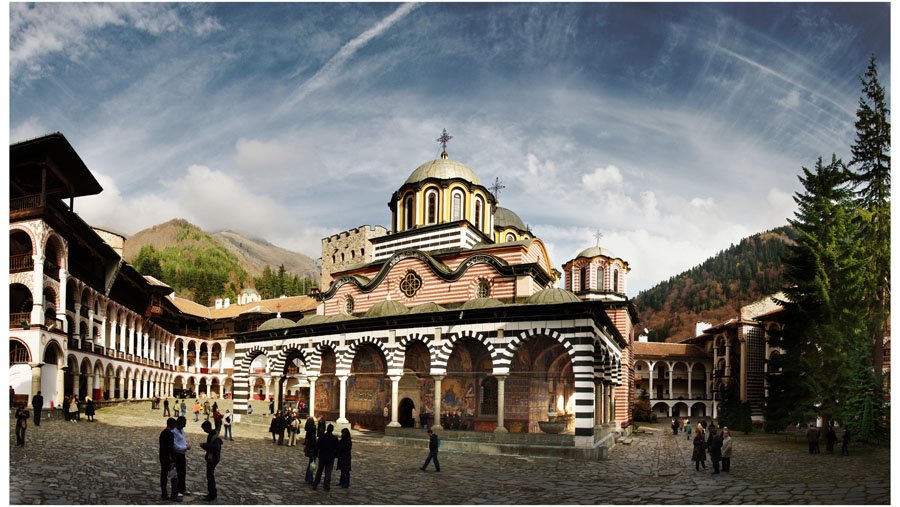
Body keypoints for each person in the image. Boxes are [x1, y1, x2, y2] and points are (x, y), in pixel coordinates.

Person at [199, 420, 222, 501]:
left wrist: (204, 445)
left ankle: (212, 494)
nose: (204, 431)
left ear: (207, 428)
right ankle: (211, 492)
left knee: (210, 476)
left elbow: (215, 448)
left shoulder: (215, 437)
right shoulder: (211, 435)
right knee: (209, 476)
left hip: (213, 459)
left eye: (204, 429)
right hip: (211, 458)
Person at [312, 424, 339, 491]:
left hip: (322, 456)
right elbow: (337, 448)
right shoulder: (334, 438)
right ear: (332, 429)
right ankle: (326, 486)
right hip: (330, 457)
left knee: (319, 471)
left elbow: (317, 446)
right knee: (328, 472)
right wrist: (335, 455)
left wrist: (315, 454)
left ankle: (315, 484)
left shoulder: (322, 437)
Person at [172, 416, 191, 499]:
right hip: (177, 454)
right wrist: (185, 448)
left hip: (182, 454)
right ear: (179, 423)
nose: (185, 425)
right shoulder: (173, 432)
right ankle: (178, 491)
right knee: (178, 473)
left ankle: (183, 489)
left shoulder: (182, 430)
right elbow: (175, 445)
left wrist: (186, 444)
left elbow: (183, 440)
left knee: (183, 472)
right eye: (184, 423)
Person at [159, 417, 177, 501]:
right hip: (169, 459)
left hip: (162, 457)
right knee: (173, 477)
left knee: (163, 476)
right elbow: (170, 447)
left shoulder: (162, 433)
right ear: (172, 424)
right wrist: (173, 459)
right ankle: (174, 495)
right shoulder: (170, 434)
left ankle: (164, 494)